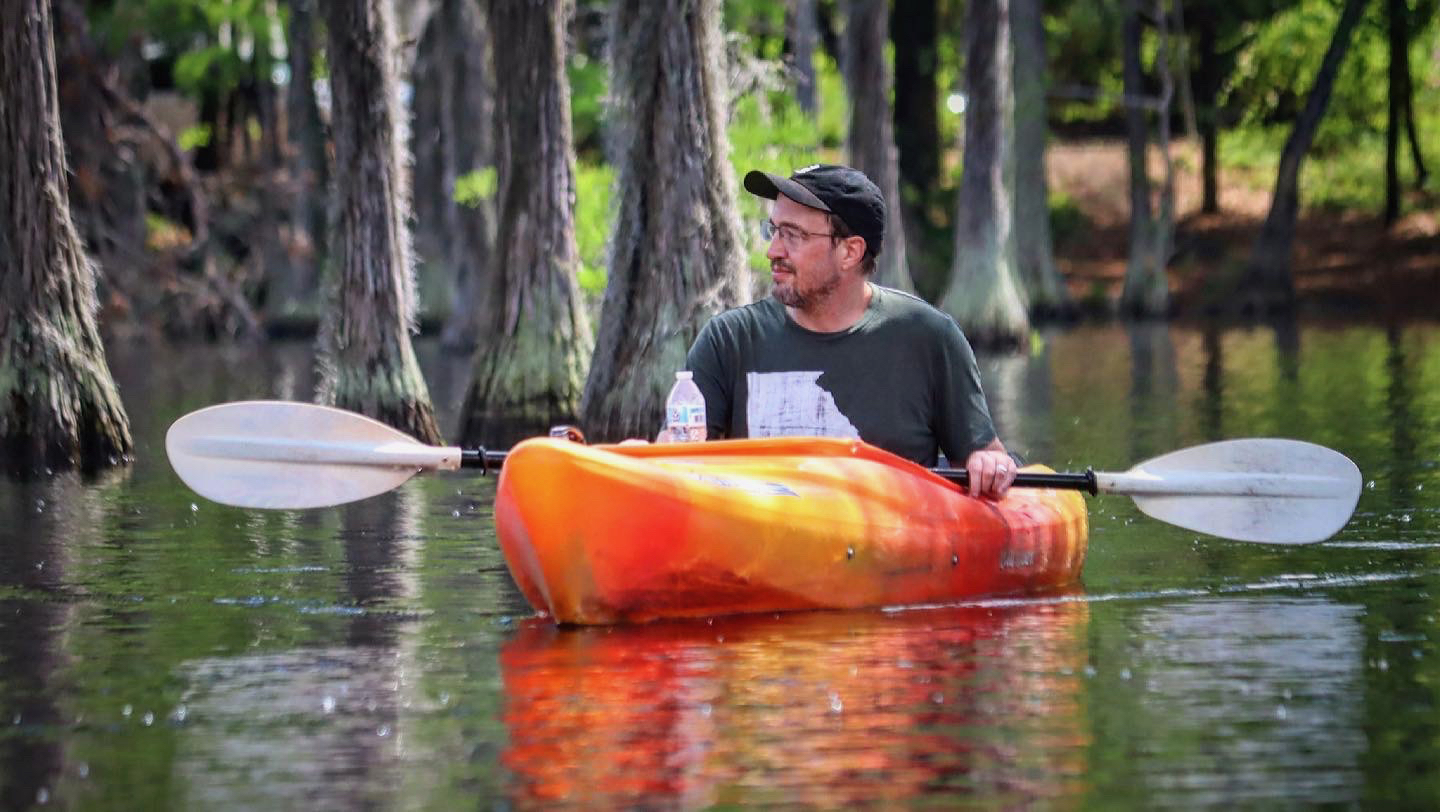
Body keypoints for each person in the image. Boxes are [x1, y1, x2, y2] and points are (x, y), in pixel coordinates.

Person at [684, 163, 1019, 499]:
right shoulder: (727, 340)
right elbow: (679, 464)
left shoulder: (929, 338)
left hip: (890, 538)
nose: (773, 251)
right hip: (756, 537)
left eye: (793, 235)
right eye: (773, 231)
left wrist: (988, 464)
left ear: (850, 252)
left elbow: (984, 456)